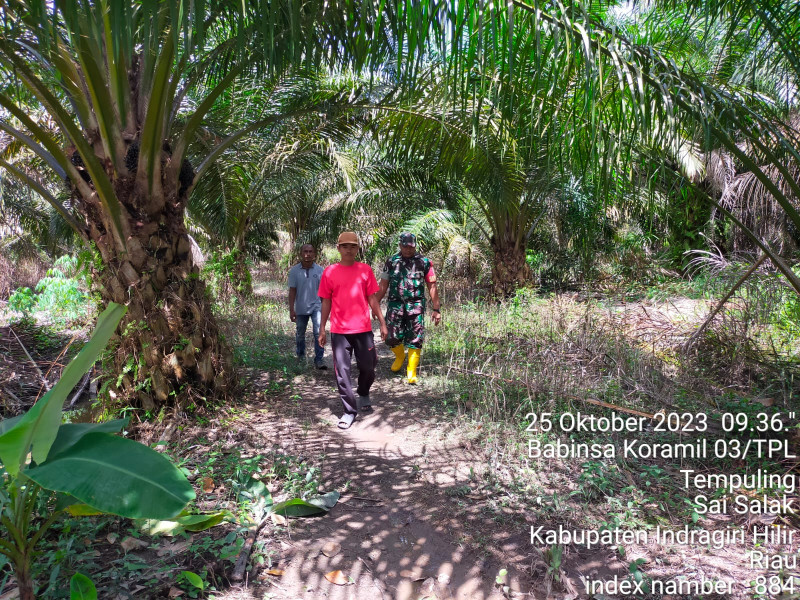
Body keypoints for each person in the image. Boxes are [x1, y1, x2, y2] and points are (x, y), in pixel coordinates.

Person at [318, 232, 388, 429]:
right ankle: (349, 411)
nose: (349, 249)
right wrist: (322, 328)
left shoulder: (365, 270)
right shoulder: (329, 272)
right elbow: (326, 301)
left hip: (363, 329)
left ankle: (363, 391)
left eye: (353, 246)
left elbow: (372, 299)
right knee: (343, 371)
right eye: (345, 246)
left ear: (358, 249)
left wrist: (382, 322)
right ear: (338, 248)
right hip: (340, 331)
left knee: (369, 365)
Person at [376, 232, 441, 384]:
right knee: (391, 336)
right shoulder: (391, 261)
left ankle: (411, 371)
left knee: (416, 338)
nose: (408, 250)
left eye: (411, 247)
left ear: (415, 246)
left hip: (416, 305)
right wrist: (375, 304)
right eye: (405, 246)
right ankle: (400, 356)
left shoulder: (425, 262)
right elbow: (383, 284)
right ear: (400, 245)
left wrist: (436, 309)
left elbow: (432, 286)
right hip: (395, 305)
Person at [288, 243, 326, 369]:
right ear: (301, 253)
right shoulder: (294, 271)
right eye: (305, 251)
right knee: (300, 333)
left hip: (317, 307)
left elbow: (323, 292)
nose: (308, 254)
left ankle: (319, 360)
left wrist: (325, 309)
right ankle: (301, 357)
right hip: (300, 308)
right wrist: (291, 309)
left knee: (318, 333)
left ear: (314, 254)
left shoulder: (320, 270)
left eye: (310, 251)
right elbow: (292, 291)